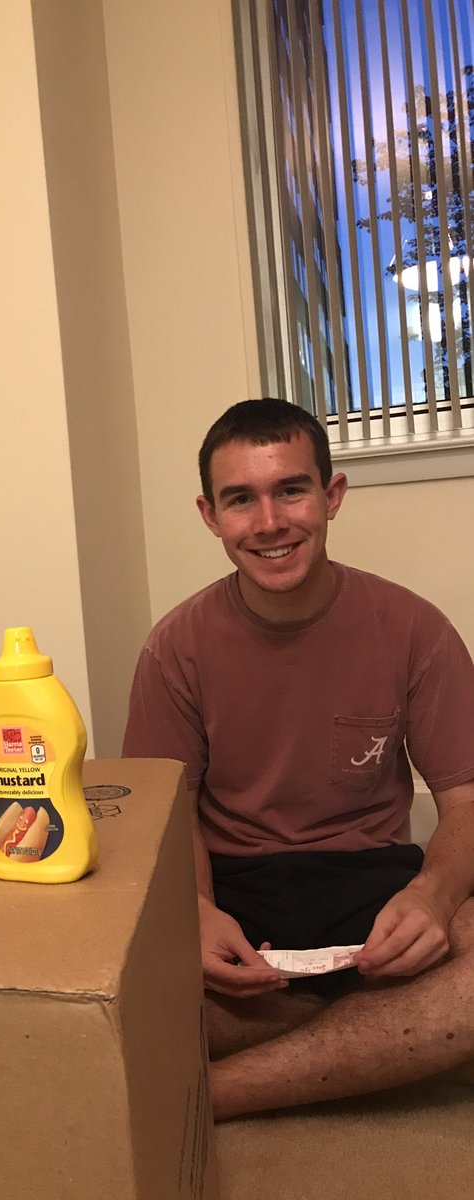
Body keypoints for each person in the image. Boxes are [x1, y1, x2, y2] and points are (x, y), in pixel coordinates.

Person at [123, 397, 474, 1121]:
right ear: (209, 516)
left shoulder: (414, 627)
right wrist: (192, 911)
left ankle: (217, 1094)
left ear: (331, 495)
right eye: (240, 500)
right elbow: (166, 811)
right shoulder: (174, 648)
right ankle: (387, 1046)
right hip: (237, 897)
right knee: (127, 990)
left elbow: (467, 797)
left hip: (372, 888)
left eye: (291, 489)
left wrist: (434, 897)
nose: (271, 522)